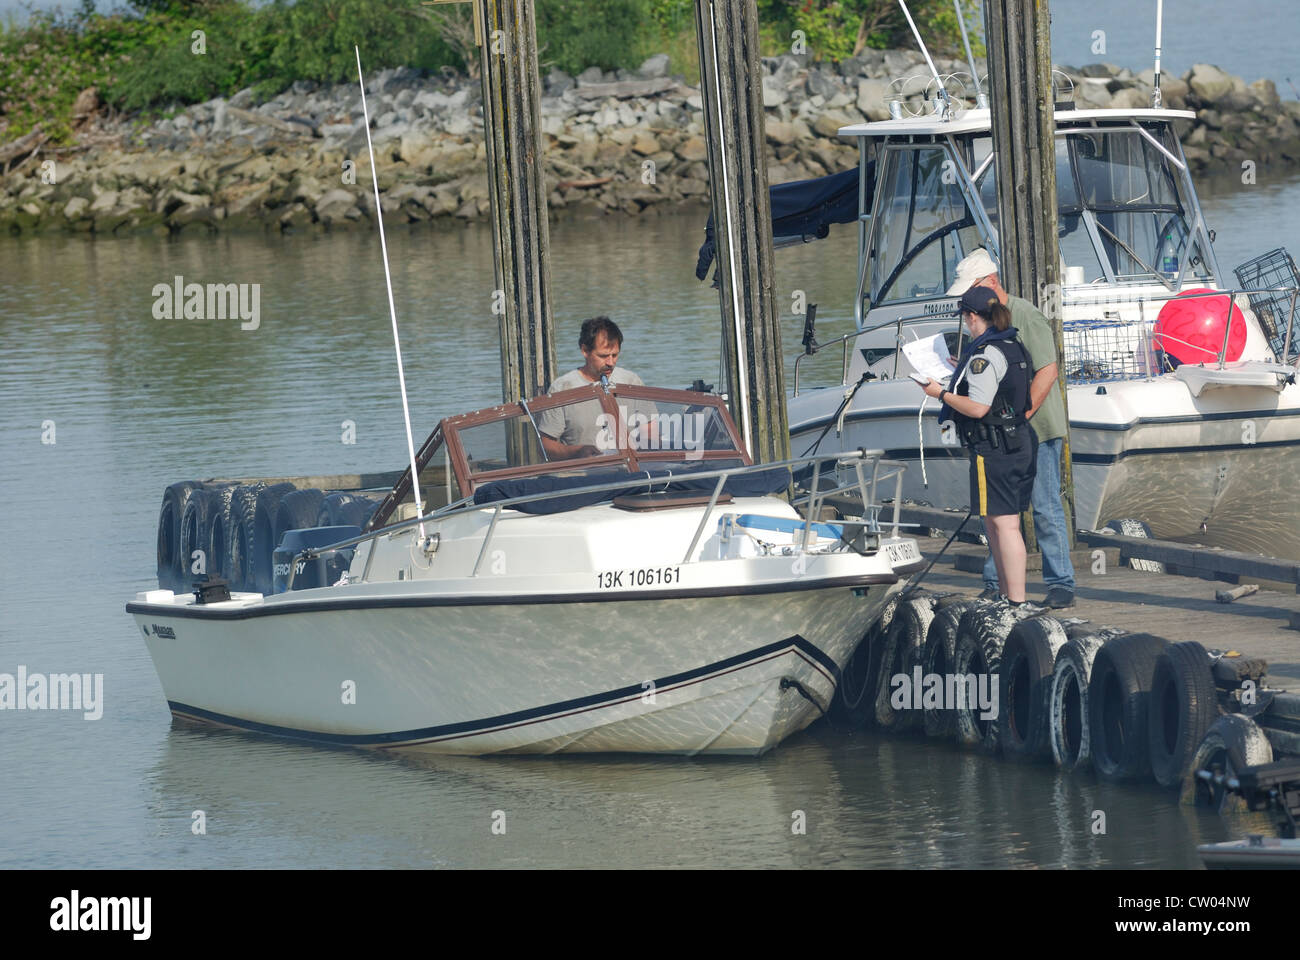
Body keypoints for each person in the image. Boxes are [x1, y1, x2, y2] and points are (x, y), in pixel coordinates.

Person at [946, 248, 1077, 609]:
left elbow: (1047, 370)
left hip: (1036, 427)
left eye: (971, 290)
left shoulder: (1027, 315)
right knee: (1000, 511)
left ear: (990, 282)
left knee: (1045, 506)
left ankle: (1061, 582)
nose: (966, 302)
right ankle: (997, 581)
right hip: (1005, 430)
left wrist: (1021, 414)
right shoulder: (987, 321)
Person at [917, 286, 1039, 609]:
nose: (966, 324)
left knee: (1003, 524)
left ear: (972, 317)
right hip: (1019, 441)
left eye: (966, 319)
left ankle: (1014, 600)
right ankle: (1009, 596)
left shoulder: (985, 356)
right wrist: (963, 366)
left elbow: (977, 408)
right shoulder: (1013, 344)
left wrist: (939, 393)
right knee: (1002, 522)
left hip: (994, 447)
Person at [536, 316, 646, 460]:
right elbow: (545, 445)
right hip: (582, 476)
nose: (611, 362)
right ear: (585, 350)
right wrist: (577, 452)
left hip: (629, 472)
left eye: (615, 355)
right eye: (603, 356)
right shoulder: (562, 388)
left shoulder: (632, 381)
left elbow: (651, 432)